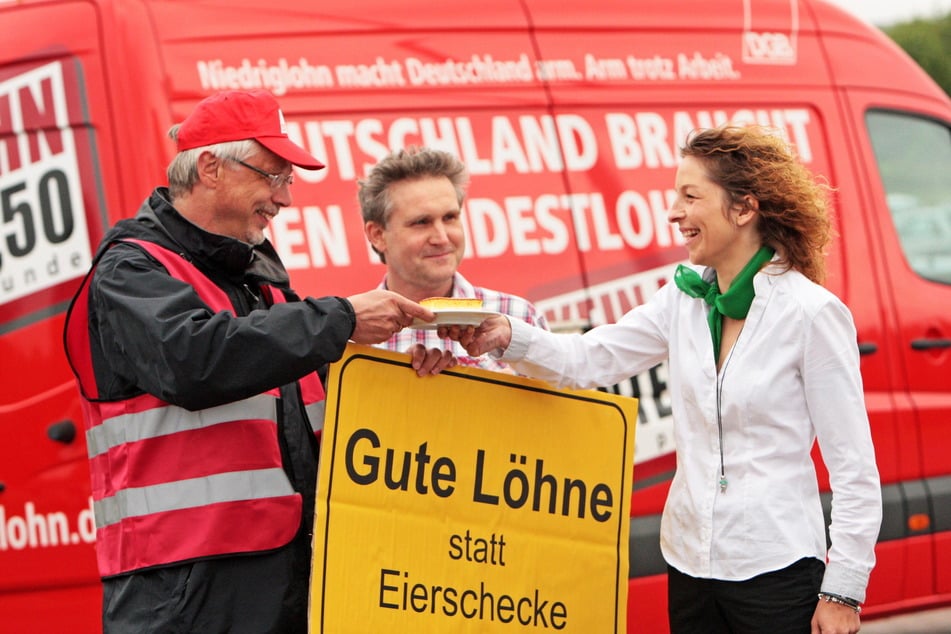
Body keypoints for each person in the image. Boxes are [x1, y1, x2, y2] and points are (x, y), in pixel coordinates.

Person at [444, 125, 882, 634]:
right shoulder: (684, 298)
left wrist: (843, 591)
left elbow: (854, 468)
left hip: (775, 570)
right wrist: (505, 334)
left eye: (690, 196)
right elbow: (591, 358)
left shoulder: (811, 314)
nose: (674, 212)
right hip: (690, 565)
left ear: (743, 209)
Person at [62, 89, 453, 633]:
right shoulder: (130, 271)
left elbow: (307, 399)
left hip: (285, 575)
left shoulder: (259, 282)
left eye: (287, 181)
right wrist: (339, 318)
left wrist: (404, 367)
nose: (285, 199)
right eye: (273, 176)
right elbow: (193, 361)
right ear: (209, 168)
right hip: (180, 589)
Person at [358, 146, 548, 372]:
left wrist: (473, 376)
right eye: (421, 222)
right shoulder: (354, 333)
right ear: (378, 235)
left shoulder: (518, 316)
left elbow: (555, 406)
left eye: (449, 217)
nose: (441, 237)